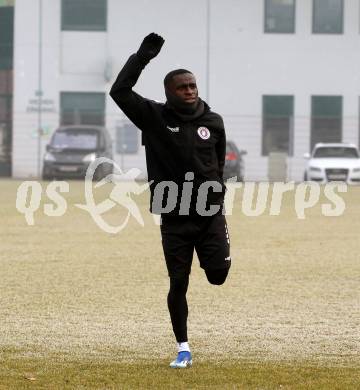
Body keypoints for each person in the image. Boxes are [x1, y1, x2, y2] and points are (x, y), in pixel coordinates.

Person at [110, 33, 231, 368]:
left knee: (218, 276)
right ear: (169, 93)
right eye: (183, 87)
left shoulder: (213, 122)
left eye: (193, 85)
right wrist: (141, 59)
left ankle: (215, 259)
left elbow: (218, 164)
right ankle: (183, 347)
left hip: (209, 214)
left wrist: (216, 194)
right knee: (179, 282)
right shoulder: (153, 116)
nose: (190, 90)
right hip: (174, 217)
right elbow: (119, 92)